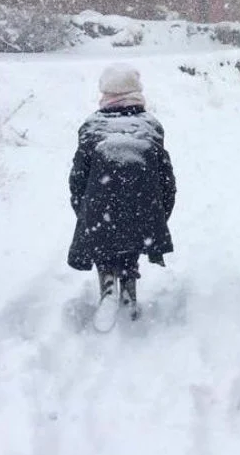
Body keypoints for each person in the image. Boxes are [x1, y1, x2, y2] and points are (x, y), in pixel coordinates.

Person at [68, 63, 176, 332]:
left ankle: (107, 281)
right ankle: (128, 283)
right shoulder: (151, 126)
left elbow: (78, 177)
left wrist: (83, 211)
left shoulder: (91, 127)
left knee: (104, 241)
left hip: (98, 206)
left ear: (105, 93)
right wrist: (160, 213)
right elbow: (166, 179)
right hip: (143, 207)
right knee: (132, 236)